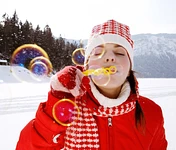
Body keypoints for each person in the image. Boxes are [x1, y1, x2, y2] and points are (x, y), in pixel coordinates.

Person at [16, 19, 168, 150]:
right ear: (87, 67)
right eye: (98, 53)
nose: (109, 57)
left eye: (120, 53)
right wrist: (57, 103)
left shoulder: (152, 113)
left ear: (129, 69)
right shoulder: (68, 108)